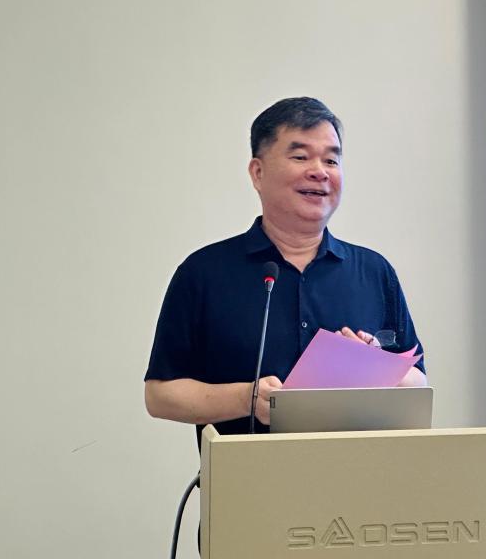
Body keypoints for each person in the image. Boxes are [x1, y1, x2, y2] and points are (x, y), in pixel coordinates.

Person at [144, 97, 426, 442]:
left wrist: (376, 369)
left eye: (331, 159)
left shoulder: (373, 272)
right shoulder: (203, 272)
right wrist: (246, 398)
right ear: (258, 173)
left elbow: (418, 382)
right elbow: (160, 395)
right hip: (246, 473)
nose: (320, 171)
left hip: (356, 471)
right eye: (300, 157)